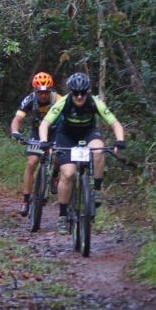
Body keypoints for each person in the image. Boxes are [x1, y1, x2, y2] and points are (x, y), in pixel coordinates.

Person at [38, 72, 125, 234]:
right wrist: (44, 142)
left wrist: (120, 141)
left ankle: (97, 191)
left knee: (99, 151)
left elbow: (115, 123)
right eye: (76, 93)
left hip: (88, 133)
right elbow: (45, 123)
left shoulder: (95, 102)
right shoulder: (64, 102)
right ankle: (63, 215)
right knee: (69, 174)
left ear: (87, 92)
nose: (79, 97)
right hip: (67, 136)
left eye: (83, 93)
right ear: (71, 92)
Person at [10, 72, 62, 216]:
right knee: (32, 162)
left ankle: (55, 176)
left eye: (46, 92)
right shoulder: (30, 100)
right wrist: (15, 132)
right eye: (40, 93)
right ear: (35, 91)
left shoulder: (58, 99)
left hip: (56, 131)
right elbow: (17, 119)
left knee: (58, 155)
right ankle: (26, 200)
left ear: (50, 91)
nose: (43, 96)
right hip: (37, 132)